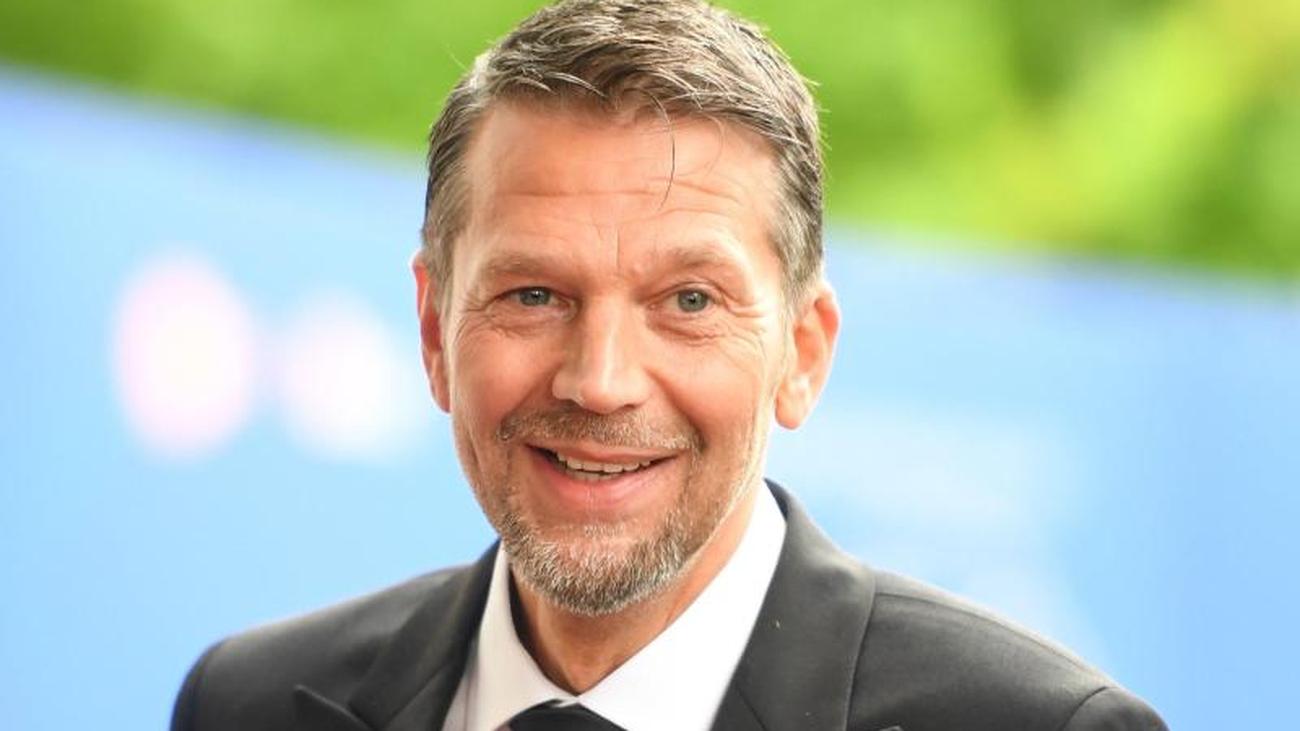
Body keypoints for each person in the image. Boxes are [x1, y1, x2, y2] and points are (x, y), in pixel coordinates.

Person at [170, 1, 1167, 729]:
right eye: (534, 295)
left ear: (802, 352)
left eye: (689, 301)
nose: (600, 379)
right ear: (434, 332)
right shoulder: (249, 704)